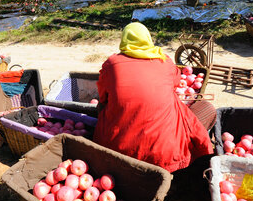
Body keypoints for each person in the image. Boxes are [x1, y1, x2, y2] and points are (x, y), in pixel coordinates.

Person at [93, 22, 216, 173]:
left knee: (103, 107)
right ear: (148, 39)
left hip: (117, 153)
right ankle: (186, 166)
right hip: (163, 156)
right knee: (206, 108)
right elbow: (177, 82)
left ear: (124, 40)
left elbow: (103, 96)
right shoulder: (164, 61)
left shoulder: (111, 64)